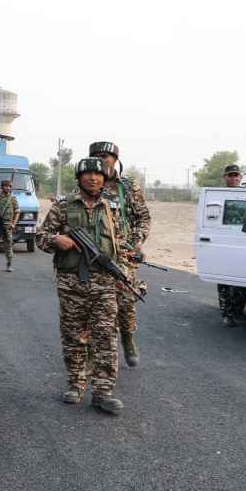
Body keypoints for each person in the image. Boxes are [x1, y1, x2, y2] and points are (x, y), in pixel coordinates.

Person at [36, 157, 126, 413]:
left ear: (104, 180)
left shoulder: (112, 208)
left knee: (106, 336)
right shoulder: (63, 207)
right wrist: (57, 239)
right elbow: (40, 238)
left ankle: (103, 391)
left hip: (105, 284)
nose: (93, 178)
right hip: (71, 284)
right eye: (87, 174)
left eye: (97, 175)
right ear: (79, 178)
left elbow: (120, 246)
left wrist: (127, 276)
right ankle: (76, 384)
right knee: (73, 336)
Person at [89, 141, 151, 368]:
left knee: (125, 300)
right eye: (98, 155)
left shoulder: (128, 186)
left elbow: (143, 218)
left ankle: (128, 337)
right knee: (94, 304)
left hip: (124, 254)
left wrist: (137, 243)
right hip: (94, 254)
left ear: (116, 159)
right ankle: (93, 351)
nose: (103, 159)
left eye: (108, 156)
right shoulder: (87, 184)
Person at [217, 163, 246, 327]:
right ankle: (226, 314)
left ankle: (238, 310)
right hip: (224, 241)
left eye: (236, 175)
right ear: (225, 177)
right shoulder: (217, 195)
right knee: (224, 281)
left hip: (243, 241)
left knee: (242, 281)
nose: (233, 178)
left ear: (240, 177)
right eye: (230, 175)